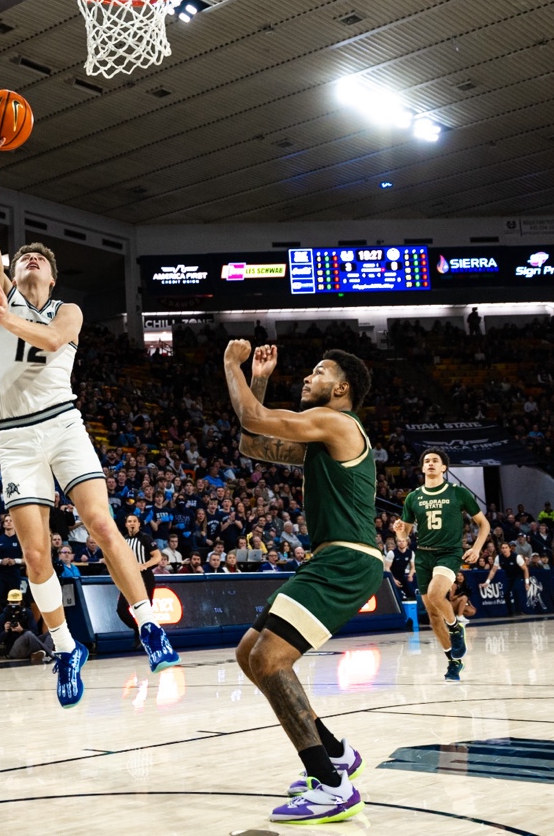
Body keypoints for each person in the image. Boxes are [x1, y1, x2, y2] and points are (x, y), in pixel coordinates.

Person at [0, 121, 179, 706]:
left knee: (102, 524)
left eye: (41, 258)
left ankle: (149, 626)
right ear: (13, 274)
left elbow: (53, 340)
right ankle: (65, 648)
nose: (31, 260)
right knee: (36, 552)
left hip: (62, 424)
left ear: (52, 276)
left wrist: (5, 320)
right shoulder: (1, 291)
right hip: (14, 438)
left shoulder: (69, 310)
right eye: (26, 257)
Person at [224, 341, 377, 824]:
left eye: (318, 371)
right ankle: (334, 753)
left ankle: (333, 788)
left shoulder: (338, 422)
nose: (308, 378)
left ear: (342, 388)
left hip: (346, 560)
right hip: (330, 560)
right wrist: (261, 379)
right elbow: (251, 441)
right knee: (250, 653)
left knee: (270, 658)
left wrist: (234, 366)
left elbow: (253, 417)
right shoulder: (322, 436)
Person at [393, 449, 490, 681]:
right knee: (433, 615)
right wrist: (399, 532)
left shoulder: (458, 493)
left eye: (435, 461)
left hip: (449, 553)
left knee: (437, 596)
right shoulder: (413, 497)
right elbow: (404, 534)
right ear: (422, 468)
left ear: (444, 468)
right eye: (426, 461)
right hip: (424, 556)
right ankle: (454, 662)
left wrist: (476, 548)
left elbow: (483, 524)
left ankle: (456, 628)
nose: (430, 464)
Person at [117, 512, 161, 633]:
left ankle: (151, 634)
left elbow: (157, 556)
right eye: (129, 521)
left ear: (139, 524)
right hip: (129, 577)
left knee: (145, 609)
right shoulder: (123, 540)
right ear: (126, 524)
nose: (132, 523)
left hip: (145, 576)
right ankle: (137, 630)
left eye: (134, 521)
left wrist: (144, 565)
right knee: (121, 609)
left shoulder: (145, 538)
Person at [0, 588, 54, 662]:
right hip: (14, 649)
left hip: (29, 644)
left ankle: (42, 652)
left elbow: (35, 632)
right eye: (12, 602)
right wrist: (6, 631)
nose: (14, 604)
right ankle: (49, 653)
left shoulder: (27, 613)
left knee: (51, 632)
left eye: (16, 602)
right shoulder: (3, 616)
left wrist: (22, 630)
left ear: (21, 602)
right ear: (8, 602)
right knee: (28, 634)